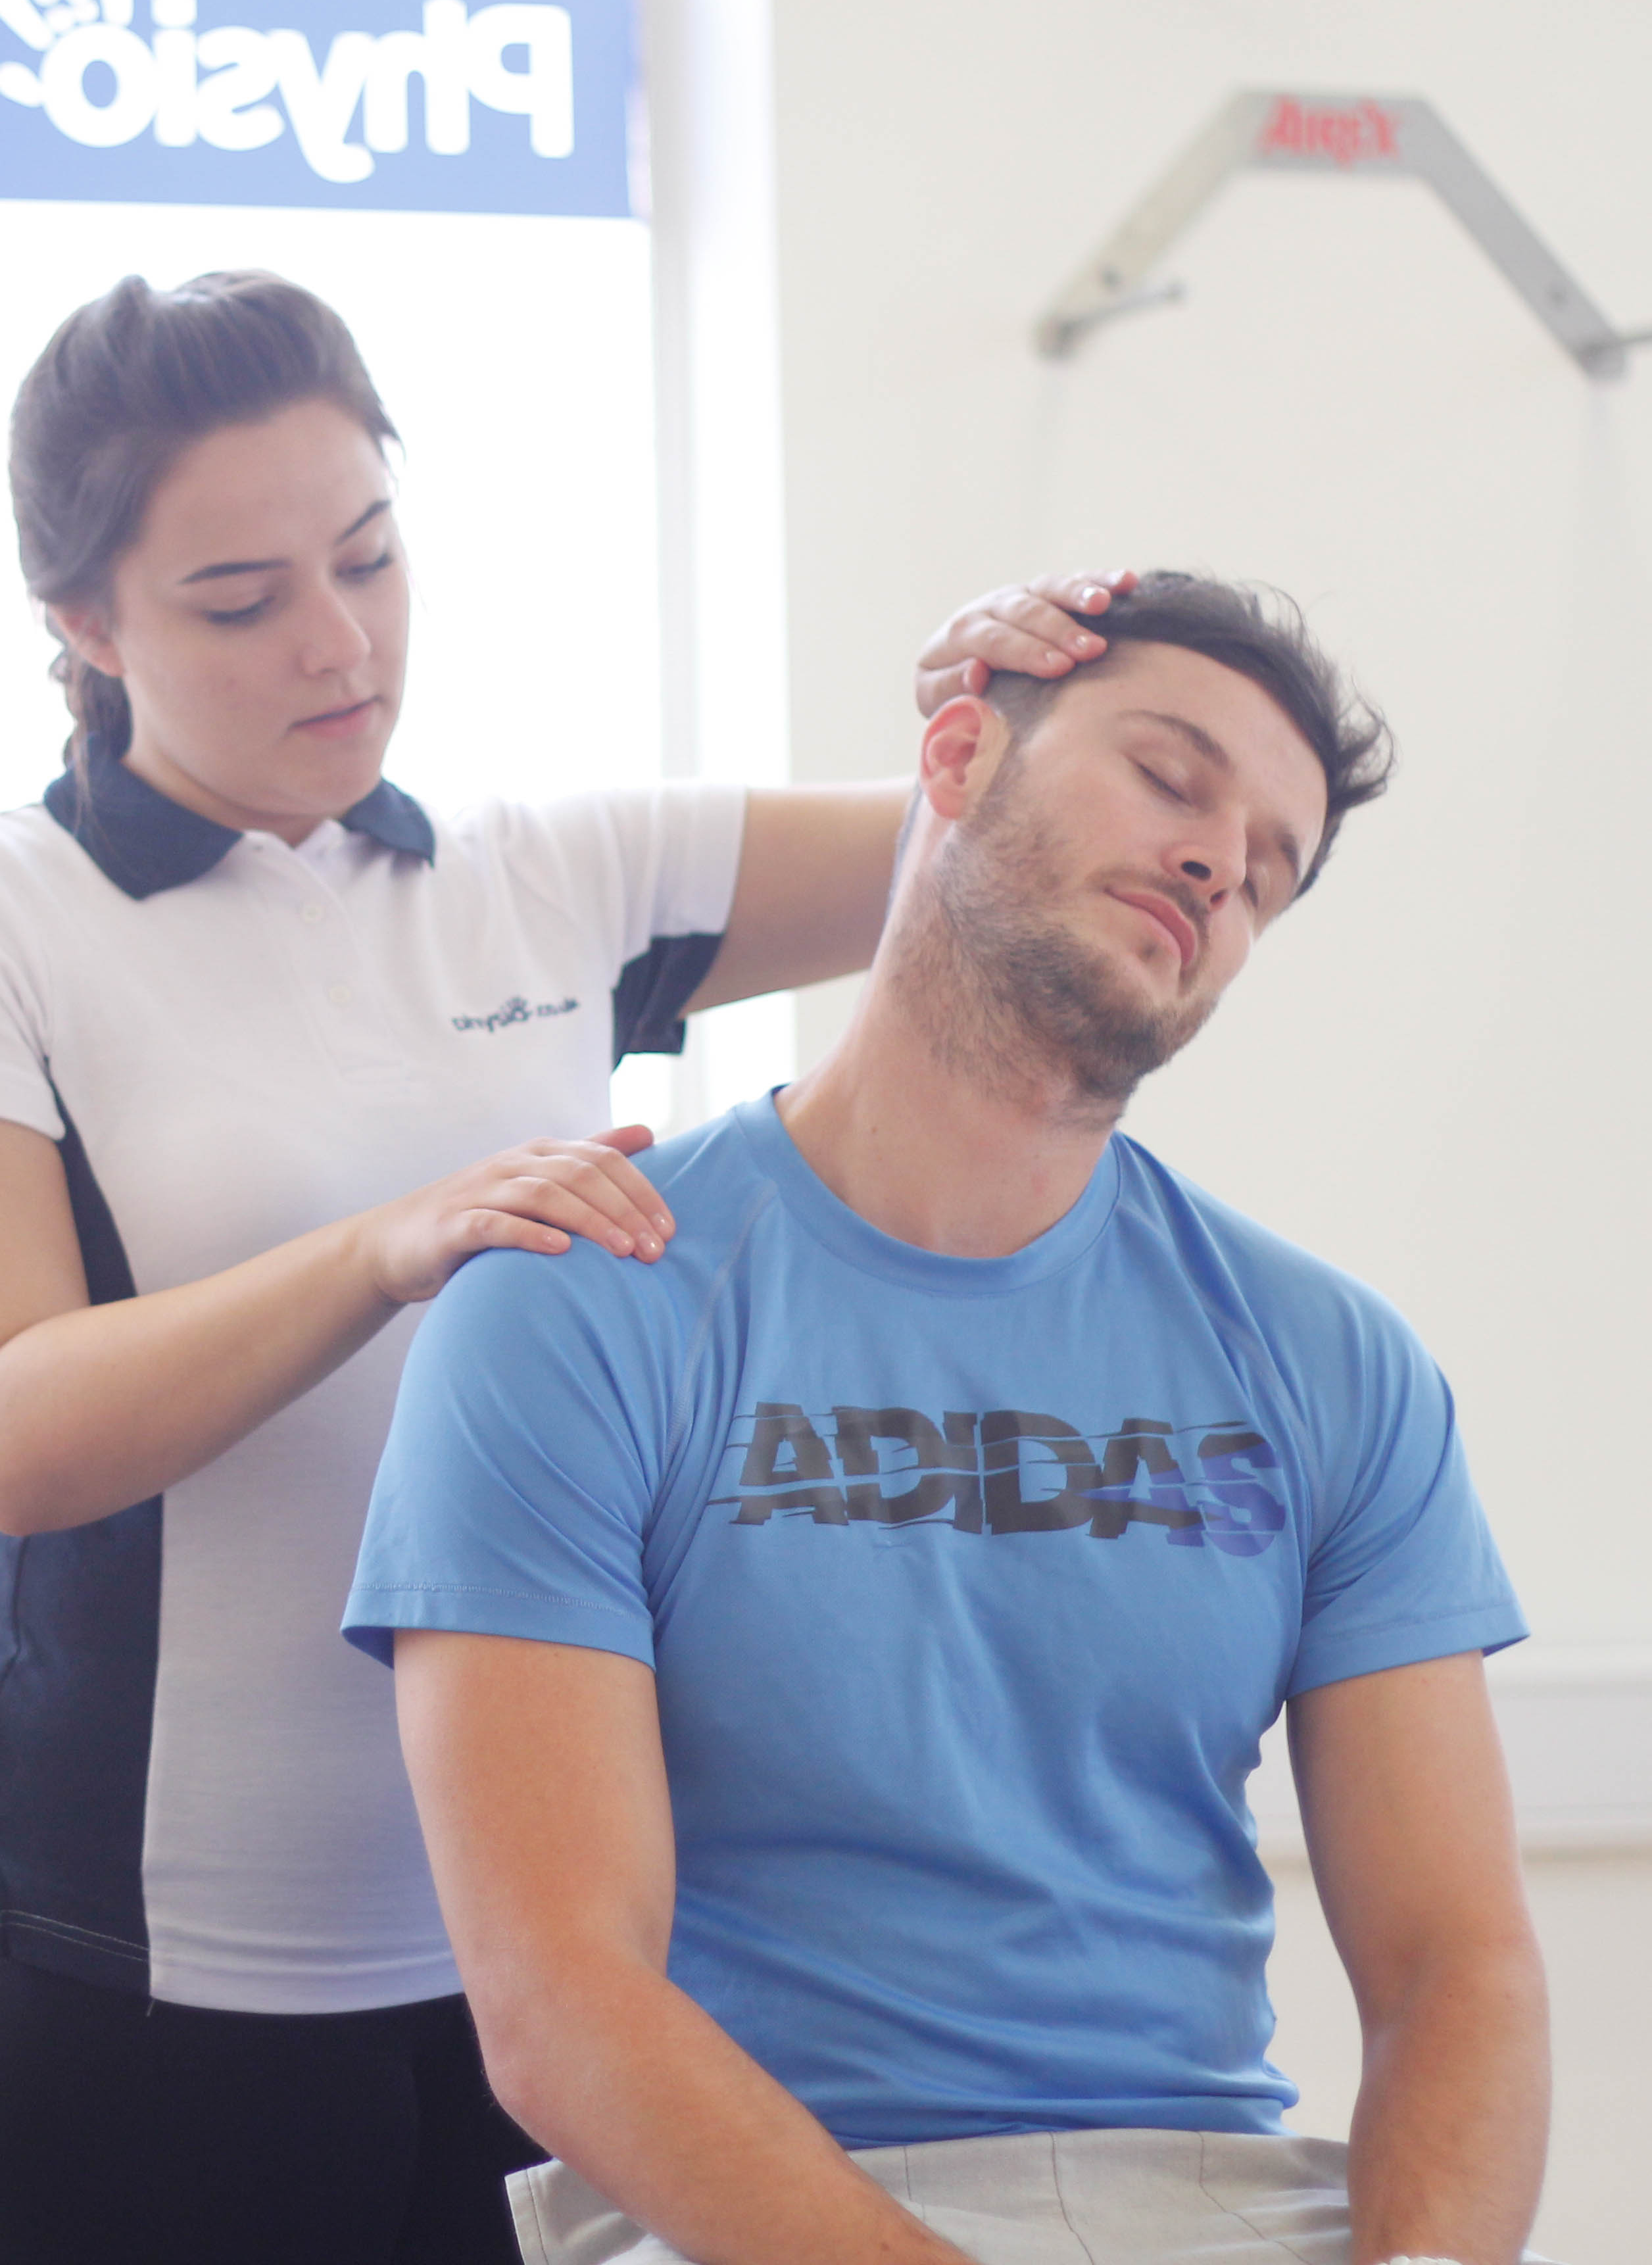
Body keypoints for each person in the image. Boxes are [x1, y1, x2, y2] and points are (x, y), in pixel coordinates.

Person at [0, 266, 1128, 2264]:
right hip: (137, 1981)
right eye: (239, 602)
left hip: (539, 1978)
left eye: (369, 556)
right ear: (83, 627)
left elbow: (1007, 850)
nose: (336, 644)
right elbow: (10, 1428)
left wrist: (1006, 704)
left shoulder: (551, 875)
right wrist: (388, 1247)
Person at [345, 574, 1552, 2265]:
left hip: (1209, 2202)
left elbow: (1456, 1969)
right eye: (1171, 776)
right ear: (962, 753)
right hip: (740, 2213)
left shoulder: (1335, 1361)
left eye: (1269, 867)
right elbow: (560, 2004)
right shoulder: (578, 1301)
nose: (1221, 862)